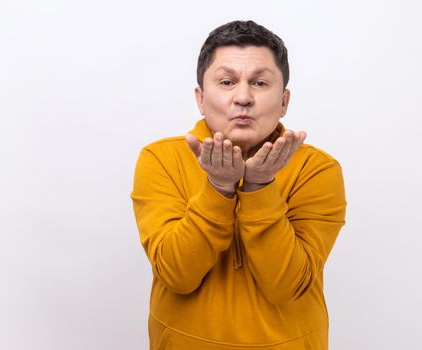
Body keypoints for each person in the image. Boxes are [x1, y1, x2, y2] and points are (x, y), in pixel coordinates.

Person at [131, 20, 347, 350]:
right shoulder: (160, 159)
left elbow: (286, 286)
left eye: (260, 83)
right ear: (201, 99)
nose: (243, 97)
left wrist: (259, 187)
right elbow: (177, 274)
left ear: (284, 100)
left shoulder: (317, 169)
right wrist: (219, 188)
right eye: (227, 81)